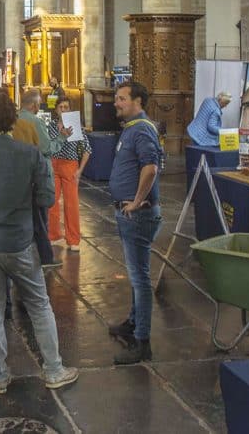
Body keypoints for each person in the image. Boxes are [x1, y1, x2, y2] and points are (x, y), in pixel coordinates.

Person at [0, 88, 79, 394]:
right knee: (38, 305)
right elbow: (47, 198)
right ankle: (53, 370)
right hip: (20, 242)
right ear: (12, 119)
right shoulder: (30, 154)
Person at [107, 81, 163, 364]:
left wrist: (137, 200)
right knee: (135, 274)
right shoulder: (131, 128)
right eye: (117, 98)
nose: (116, 103)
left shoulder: (141, 129)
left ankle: (143, 341)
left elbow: (150, 167)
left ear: (138, 101)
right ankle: (132, 322)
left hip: (137, 215)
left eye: (122, 99)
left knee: (140, 278)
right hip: (129, 213)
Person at [19, 89, 71, 266]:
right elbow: (47, 148)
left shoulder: (15, 120)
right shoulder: (35, 122)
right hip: (37, 175)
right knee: (40, 218)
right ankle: (45, 258)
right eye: (39, 103)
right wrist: (62, 137)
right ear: (34, 105)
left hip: (21, 176)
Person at [47, 97, 92, 252]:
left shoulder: (75, 126)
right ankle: (53, 235)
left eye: (66, 107)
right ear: (56, 109)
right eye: (61, 107)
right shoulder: (51, 126)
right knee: (51, 202)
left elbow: (87, 149)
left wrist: (79, 171)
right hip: (53, 164)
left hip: (70, 165)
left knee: (71, 203)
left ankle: (73, 239)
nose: (64, 109)